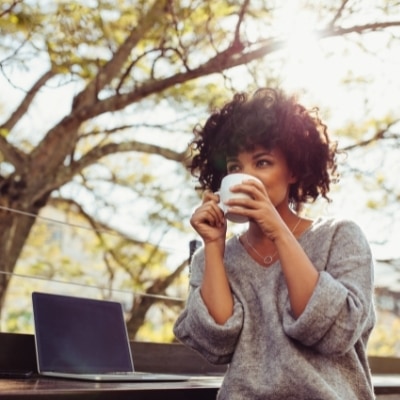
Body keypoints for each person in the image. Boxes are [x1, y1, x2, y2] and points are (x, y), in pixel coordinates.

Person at [173, 88, 376, 399]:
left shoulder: (341, 237)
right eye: (234, 168)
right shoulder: (210, 257)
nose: (245, 177)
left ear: (294, 169)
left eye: (262, 162)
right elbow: (215, 343)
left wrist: (279, 231)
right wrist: (214, 245)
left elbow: (337, 332)